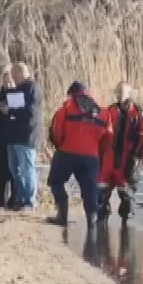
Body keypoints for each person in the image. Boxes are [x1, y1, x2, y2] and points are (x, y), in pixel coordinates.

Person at [46, 81, 110, 226]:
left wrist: (61, 145)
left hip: (67, 152)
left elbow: (57, 129)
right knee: (89, 188)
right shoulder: (102, 111)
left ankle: (62, 216)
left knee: (56, 181)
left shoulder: (67, 106)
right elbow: (108, 136)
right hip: (91, 156)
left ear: (71, 93)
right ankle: (91, 221)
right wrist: (98, 151)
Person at [100, 83, 143, 223]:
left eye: (122, 92)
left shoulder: (138, 112)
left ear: (129, 93)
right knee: (101, 192)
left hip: (127, 159)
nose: (120, 94)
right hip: (109, 159)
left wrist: (138, 157)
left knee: (127, 196)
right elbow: (102, 133)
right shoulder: (110, 111)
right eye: (118, 92)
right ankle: (101, 218)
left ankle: (126, 227)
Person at [0, 63, 41, 210]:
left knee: (26, 168)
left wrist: (11, 110)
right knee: (14, 168)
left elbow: (30, 111)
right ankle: (20, 198)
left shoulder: (32, 88)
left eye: (14, 74)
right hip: (14, 134)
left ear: (20, 73)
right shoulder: (18, 89)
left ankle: (29, 200)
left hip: (26, 134)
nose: (13, 78)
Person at [0, 78, 18, 209]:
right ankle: (1, 199)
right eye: (5, 82)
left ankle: (14, 199)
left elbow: (18, 115)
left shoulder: (16, 95)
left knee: (13, 170)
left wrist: (7, 109)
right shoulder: (0, 95)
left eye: (10, 82)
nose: (7, 85)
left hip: (11, 139)